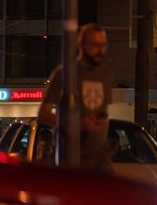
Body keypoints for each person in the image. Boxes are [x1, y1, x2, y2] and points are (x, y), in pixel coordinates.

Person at [38, 24, 115, 175]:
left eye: (103, 45)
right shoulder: (65, 73)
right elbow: (44, 114)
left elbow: (101, 109)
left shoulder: (107, 74)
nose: (100, 50)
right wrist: (78, 124)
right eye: (94, 45)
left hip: (100, 157)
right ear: (81, 44)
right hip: (71, 157)